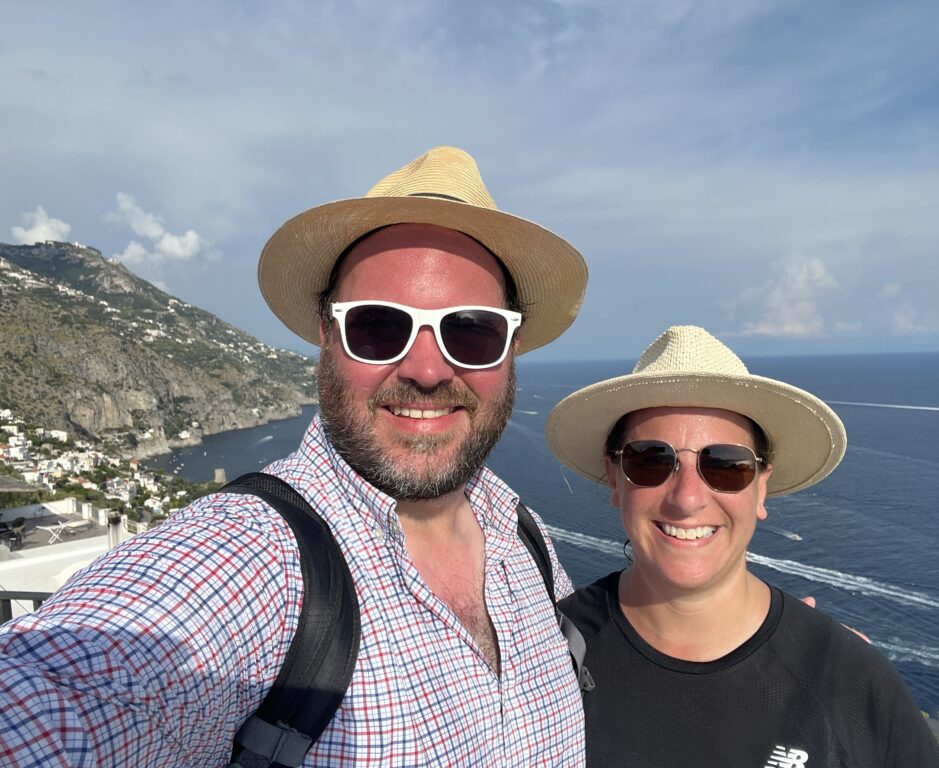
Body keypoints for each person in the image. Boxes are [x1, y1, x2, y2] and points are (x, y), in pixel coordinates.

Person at [0, 147, 588, 766]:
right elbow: (60, 693)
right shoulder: (257, 558)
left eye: (470, 330)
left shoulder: (526, 539)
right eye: (378, 326)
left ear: (510, 346)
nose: (425, 369)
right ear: (326, 335)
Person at [546, 325, 939, 767]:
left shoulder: (848, 679)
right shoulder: (547, 654)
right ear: (616, 478)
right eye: (651, 460)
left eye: (726, 465)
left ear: (761, 487)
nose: (687, 498)